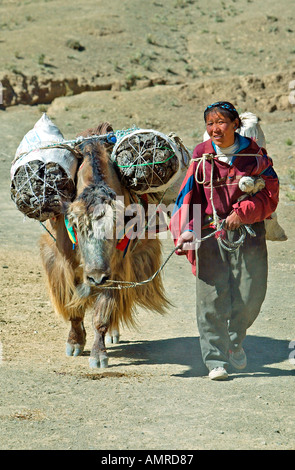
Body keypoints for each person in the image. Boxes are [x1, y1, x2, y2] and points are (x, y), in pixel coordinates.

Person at [170, 101, 279, 380]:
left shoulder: (254, 155)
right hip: (210, 235)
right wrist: (186, 229)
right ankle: (215, 359)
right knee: (212, 298)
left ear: (235, 125)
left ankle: (234, 342)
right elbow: (188, 198)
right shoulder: (200, 155)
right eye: (210, 124)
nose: (215, 129)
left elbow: (270, 194)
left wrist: (243, 214)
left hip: (249, 235)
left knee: (250, 295)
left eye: (221, 122)